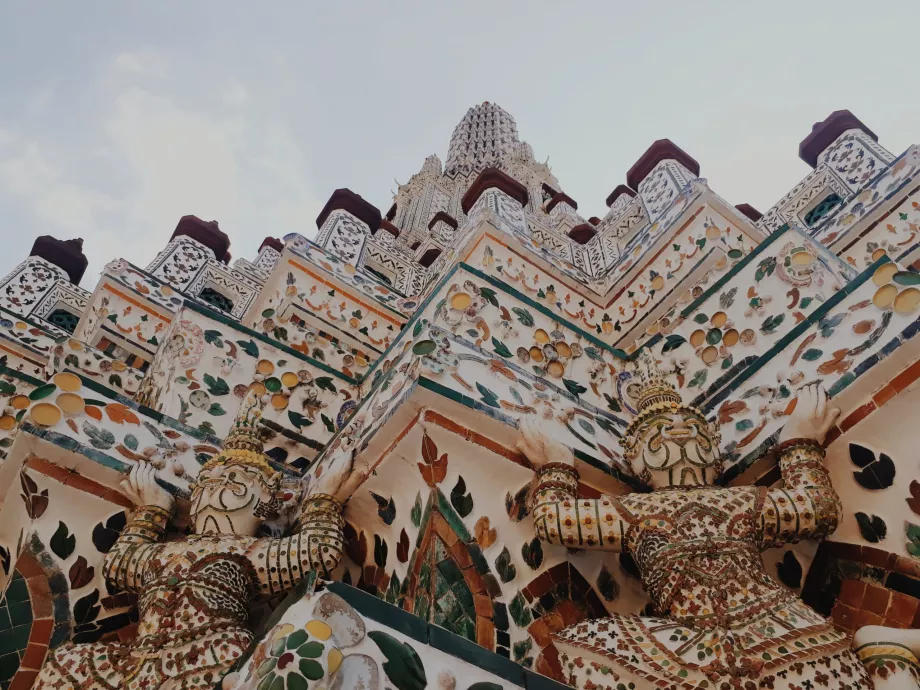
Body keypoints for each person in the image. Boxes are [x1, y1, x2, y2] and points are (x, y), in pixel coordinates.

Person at [518, 354, 918, 689]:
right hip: (698, 643)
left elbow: (819, 508)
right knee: (581, 643)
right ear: (636, 467)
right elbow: (556, 521)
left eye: (692, 430)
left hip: (782, 631)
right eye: (656, 435)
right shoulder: (632, 512)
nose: (676, 432)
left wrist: (799, 443)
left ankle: (883, 647)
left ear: (716, 458)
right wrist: (557, 465)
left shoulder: (744, 500)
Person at [35, 392, 364, 690]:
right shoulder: (163, 551)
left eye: (236, 480)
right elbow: (120, 564)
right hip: (135, 663)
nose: (217, 488)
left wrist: (322, 499)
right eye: (209, 481)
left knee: (299, 649)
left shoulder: (253, 552)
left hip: (214, 656)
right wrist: (152, 511)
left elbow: (318, 551)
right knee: (60, 665)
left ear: (266, 502)